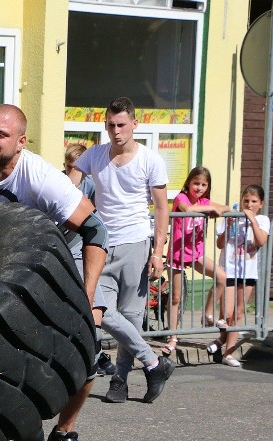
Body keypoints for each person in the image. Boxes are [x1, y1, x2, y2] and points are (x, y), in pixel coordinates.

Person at [0, 104, 108, 441]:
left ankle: (64, 432)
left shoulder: (39, 178)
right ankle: (12, 423)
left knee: (87, 357)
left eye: (0, 134)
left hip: (59, 262)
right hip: (1, 268)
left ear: (20, 142)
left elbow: (95, 229)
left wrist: (85, 297)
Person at [67, 97, 175, 405]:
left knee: (130, 315)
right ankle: (155, 363)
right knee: (101, 311)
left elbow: (162, 208)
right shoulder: (94, 155)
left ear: (134, 125)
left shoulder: (149, 160)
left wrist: (158, 252)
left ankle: (120, 381)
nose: (116, 131)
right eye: (111, 125)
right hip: (100, 244)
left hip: (136, 243)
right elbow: (69, 187)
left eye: (122, 125)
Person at [163, 166, 228, 355]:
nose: (199, 188)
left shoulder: (204, 200)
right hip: (177, 253)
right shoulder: (181, 198)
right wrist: (210, 208)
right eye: (196, 183)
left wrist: (216, 208)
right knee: (176, 297)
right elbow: (188, 209)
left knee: (221, 277)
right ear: (188, 183)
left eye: (203, 185)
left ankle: (208, 315)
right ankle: (172, 337)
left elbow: (224, 207)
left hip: (196, 253)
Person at [64, 143, 115, 377]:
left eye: (77, 168)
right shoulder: (58, 183)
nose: (72, 171)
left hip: (82, 246)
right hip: (62, 246)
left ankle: (97, 353)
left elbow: (95, 219)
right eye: (68, 166)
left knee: (96, 305)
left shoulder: (90, 185)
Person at [208, 184, 270, 367]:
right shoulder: (232, 217)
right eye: (246, 201)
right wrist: (228, 225)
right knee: (226, 314)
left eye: (253, 201)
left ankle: (227, 352)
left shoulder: (262, 219)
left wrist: (252, 221)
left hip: (247, 271)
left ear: (261, 203)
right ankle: (220, 341)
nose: (249, 205)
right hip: (229, 269)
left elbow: (261, 241)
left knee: (238, 313)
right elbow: (220, 244)